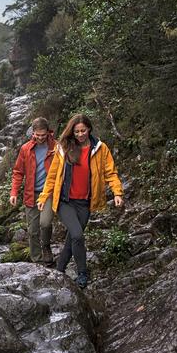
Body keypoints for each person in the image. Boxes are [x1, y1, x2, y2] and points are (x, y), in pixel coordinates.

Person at [37, 114, 124, 288]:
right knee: (77, 235)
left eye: (83, 130)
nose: (80, 134)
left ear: (89, 129)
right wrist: (43, 196)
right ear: (72, 131)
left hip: (85, 202)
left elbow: (110, 172)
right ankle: (82, 273)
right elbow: (53, 176)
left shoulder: (100, 148)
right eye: (76, 131)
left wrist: (117, 193)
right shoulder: (64, 148)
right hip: (65, 201)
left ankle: (60, 270)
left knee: (73, 239)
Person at [10, 117, 57, 266]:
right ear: (33, 133)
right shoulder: (26, 149)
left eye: (43, 135)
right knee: (33, 230)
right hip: (31, 193)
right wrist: (14, 192)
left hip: (48, 193)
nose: (41, 138)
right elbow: (18, 172)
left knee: (45, 223)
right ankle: (37, 260)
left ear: (48, 132)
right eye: (38, 135)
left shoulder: (56, 147)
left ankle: (46, 247)